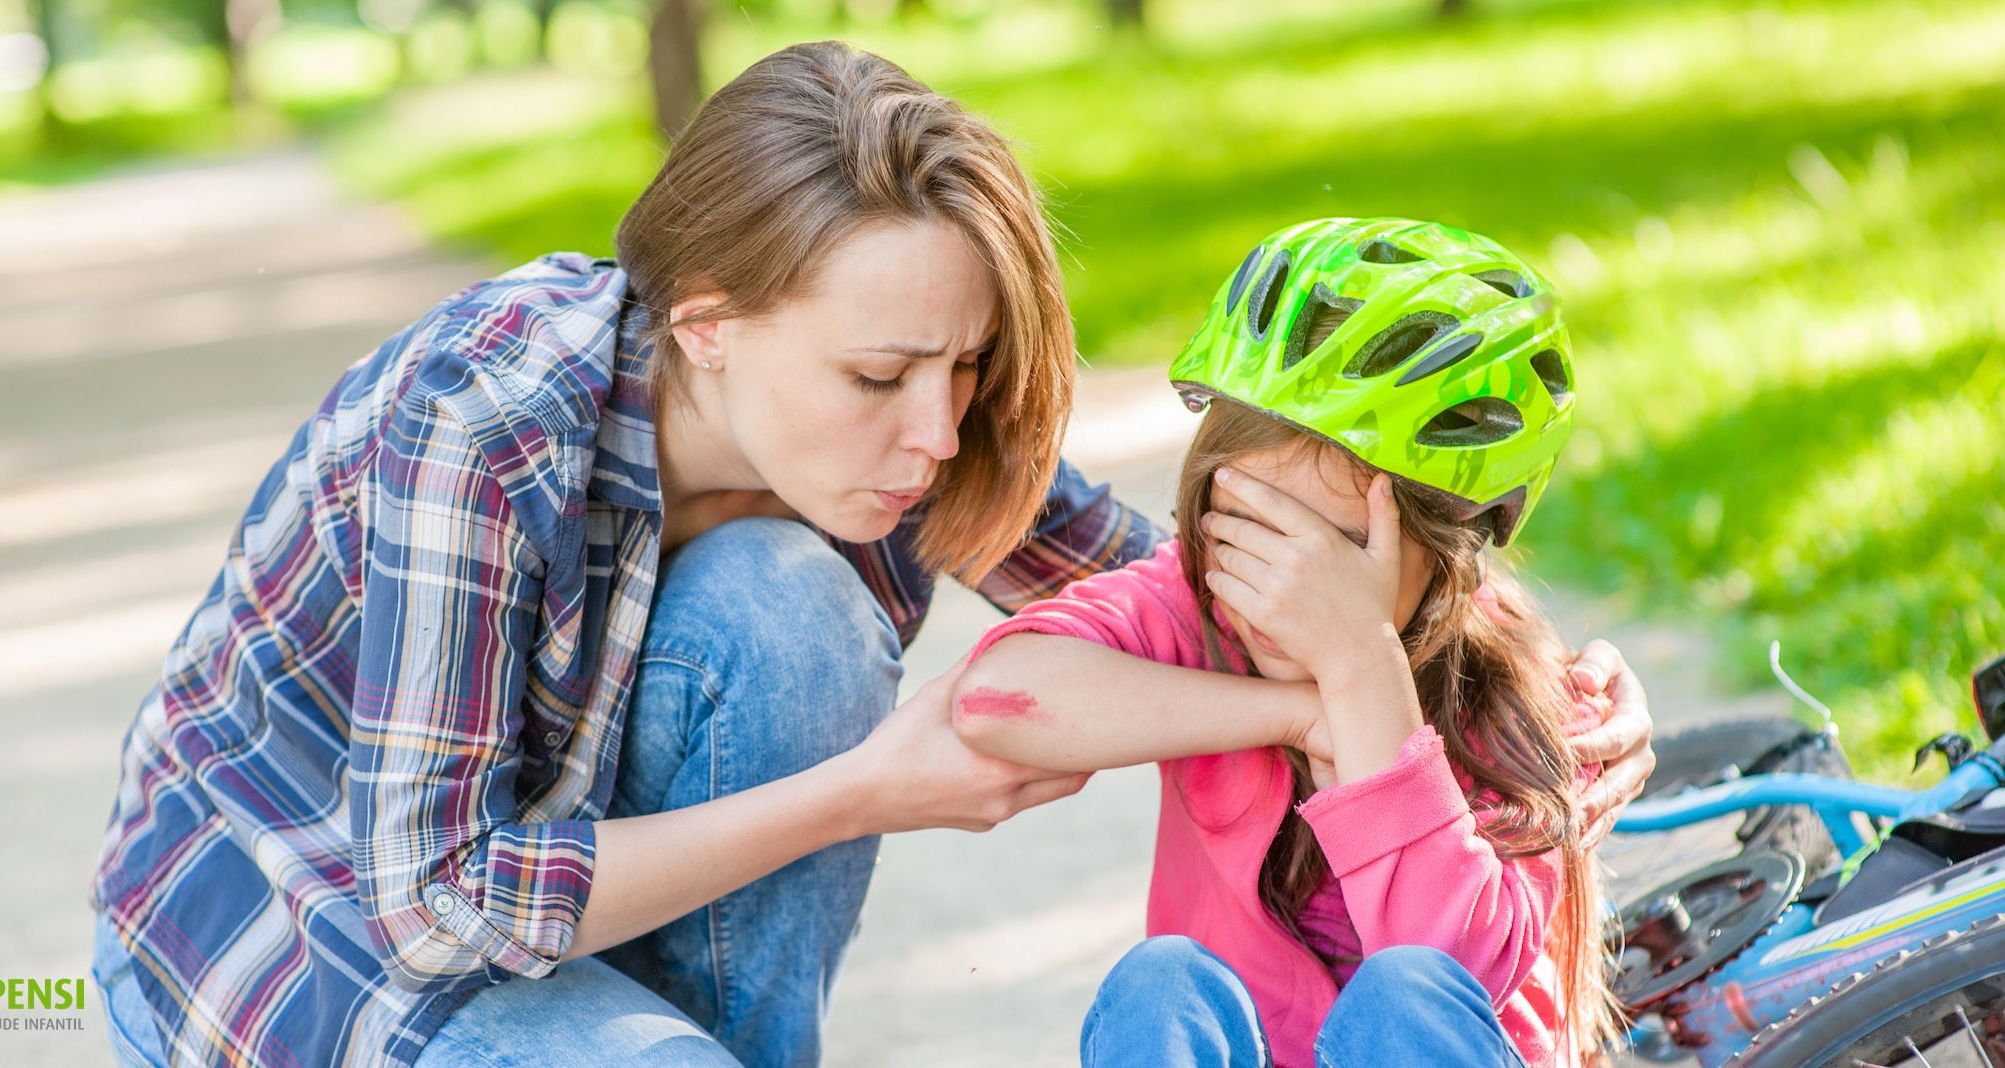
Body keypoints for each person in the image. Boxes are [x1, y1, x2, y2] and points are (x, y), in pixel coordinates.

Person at [88, 45, 1656, 1068]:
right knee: (791, 616)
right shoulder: (478, 427)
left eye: (965, 369)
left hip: (539, 892)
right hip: (308, 922)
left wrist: (1497, 667)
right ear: (707, 324)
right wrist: (865, 789)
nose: (938, 432)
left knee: (786, 600)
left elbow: (1211, 583)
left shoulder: (894, 419)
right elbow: (437, 902)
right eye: (882, 376)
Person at [954, 217, 1623, 1068]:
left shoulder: (1515, 686)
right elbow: (994, 703)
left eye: (1337, 549)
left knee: (1404, 990)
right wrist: (1301, 714)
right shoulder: (1195, 603)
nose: (1286, 589)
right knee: (1161, 983)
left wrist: (1361, 667)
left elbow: (1454, 974)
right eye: (1252, 531)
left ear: (1444, 546)